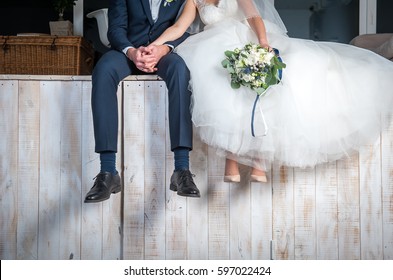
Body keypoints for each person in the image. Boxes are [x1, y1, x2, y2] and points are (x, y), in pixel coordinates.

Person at [146, 0, 393, 182]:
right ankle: (232, 159)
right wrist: (152, 47)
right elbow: (179, 28)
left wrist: (263, 43)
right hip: (213, 42)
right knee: (219, 77)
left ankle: (258, 161)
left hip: (245, 35)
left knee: (273, 75)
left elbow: (253, 17)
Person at [84, 0, 201, 203]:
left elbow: (185, 28)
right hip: (129, 54)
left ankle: (182, 170)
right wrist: (131, 51)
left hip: (165, 54)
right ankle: (108, 171)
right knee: (102, 70)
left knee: (181, 71)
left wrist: (164, 49)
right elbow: (115, 29)